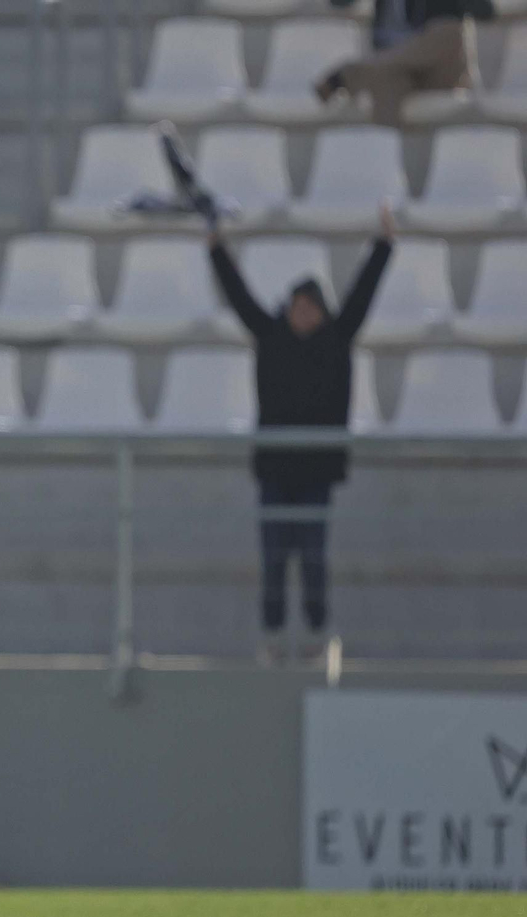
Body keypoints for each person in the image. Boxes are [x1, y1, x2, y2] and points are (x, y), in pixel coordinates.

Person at [210, 205, 395, 665]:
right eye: (296, 306)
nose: (302, 313)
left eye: (310, 307)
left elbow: (363, 294)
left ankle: (316, 634)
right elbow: (239, 298)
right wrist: (217, 251)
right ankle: (272, 637)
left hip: (315, 472)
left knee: (313, 556)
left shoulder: (336, 339)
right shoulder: (271, 337)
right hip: (275, 469)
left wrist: (384, 246)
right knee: (274, 558)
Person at [315, 0, 494, 125]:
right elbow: (338, 3)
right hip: (397, 70)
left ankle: (352, 72)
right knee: (386, 78)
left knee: (449, 31)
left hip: (439, 72)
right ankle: (384, 163)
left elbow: (486, 11)